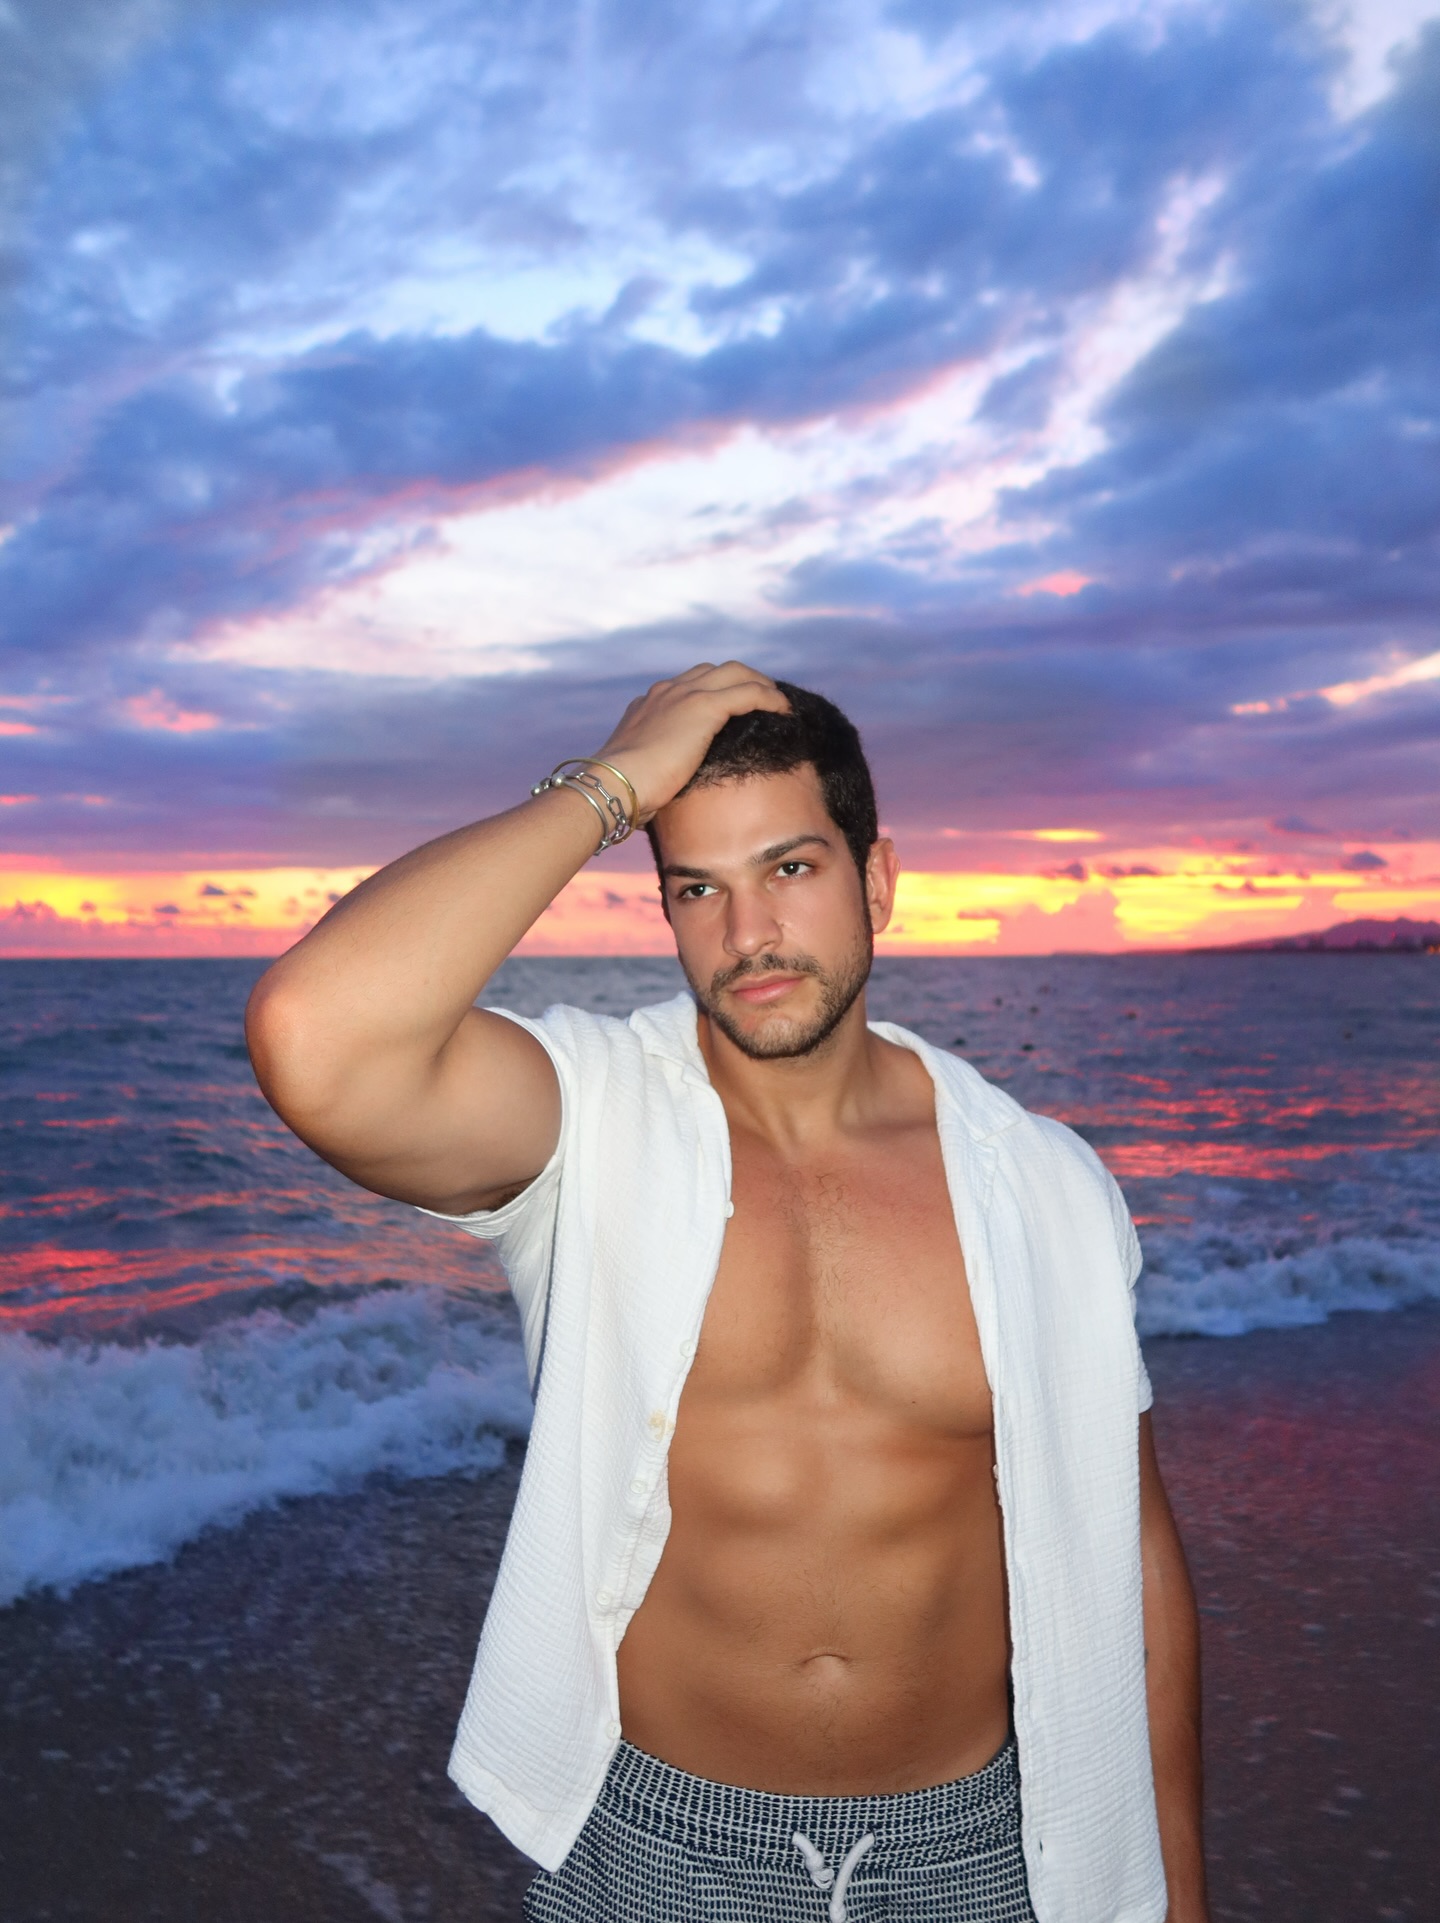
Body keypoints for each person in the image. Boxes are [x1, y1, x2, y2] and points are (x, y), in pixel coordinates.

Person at [246, 662, 1208, 1923]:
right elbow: (314, 1038)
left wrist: (1176, 1889)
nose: (747, 932)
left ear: (877, 881)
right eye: (698, 887)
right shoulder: (590, 1119)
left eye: (790, 868)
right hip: (661, 1852)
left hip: (984, 1856)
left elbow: (1134, 1556)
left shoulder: (1043, 1183)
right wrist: (613, 784)